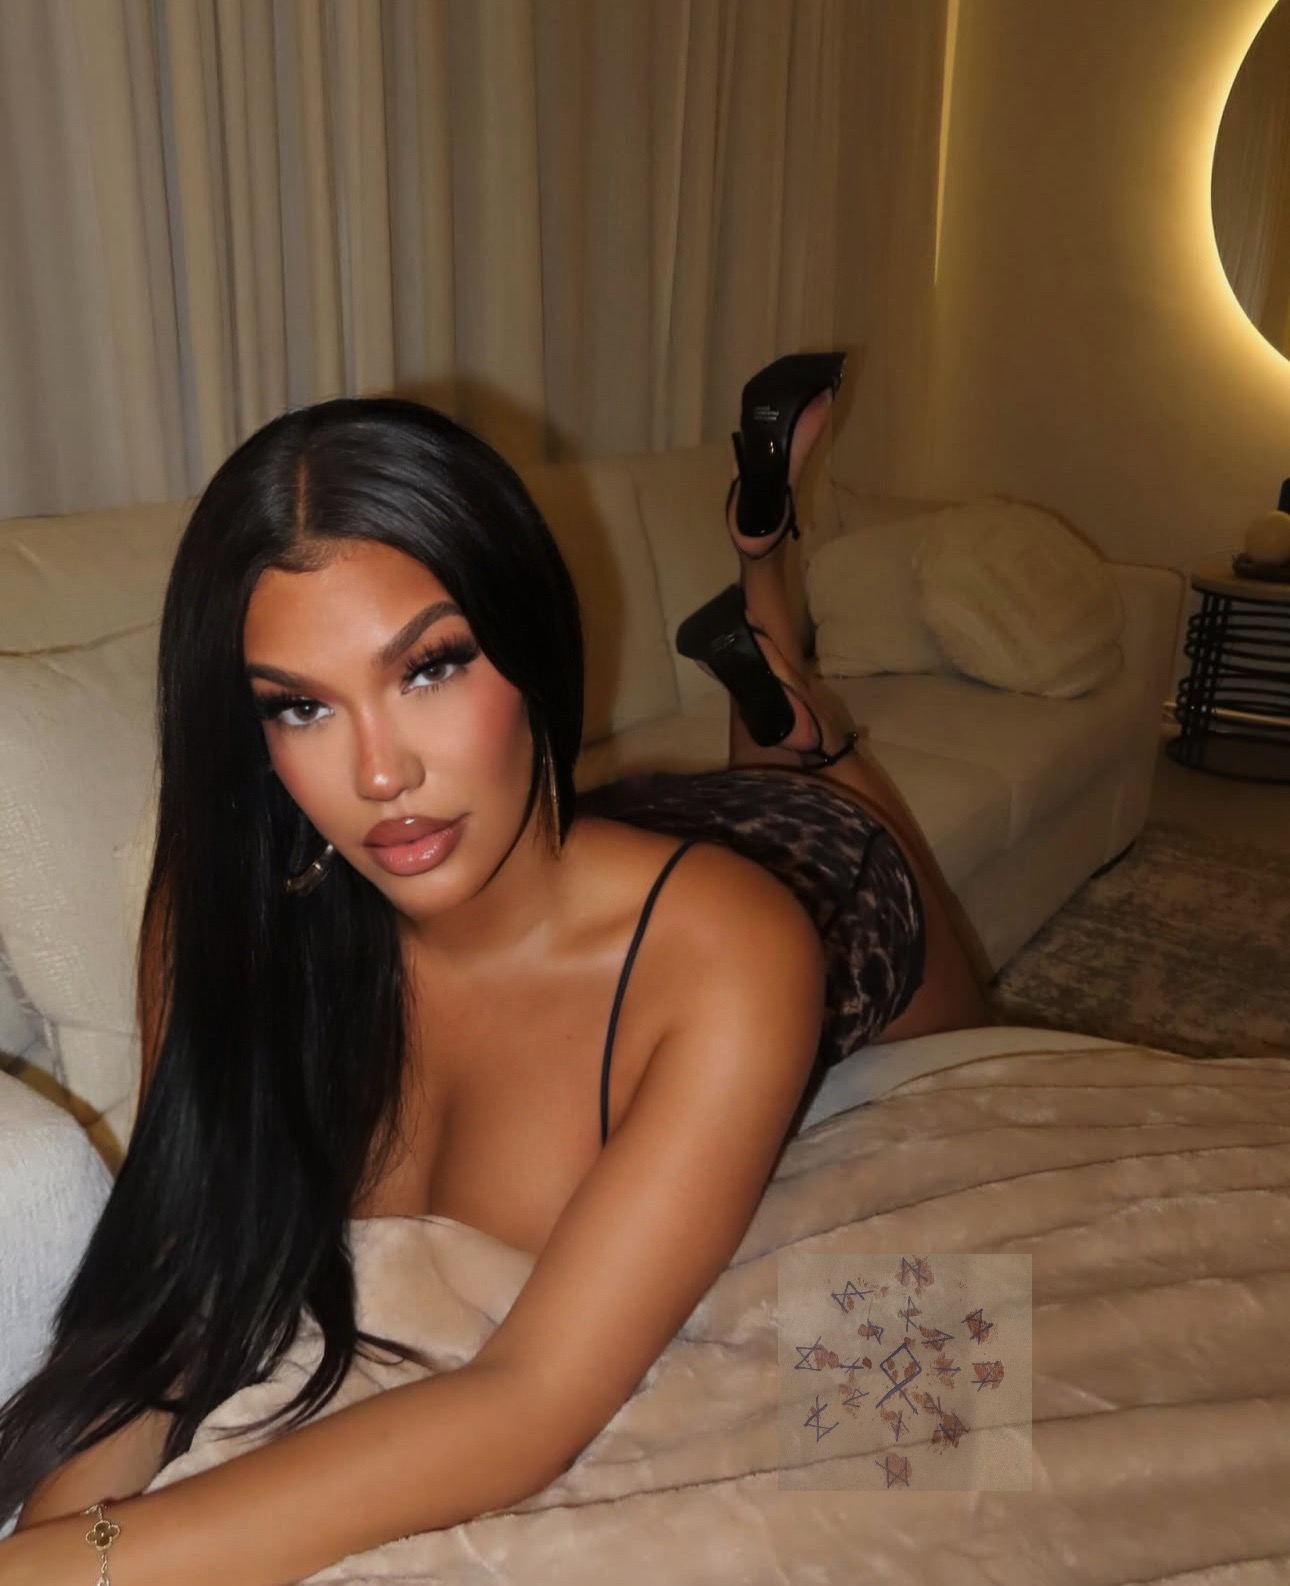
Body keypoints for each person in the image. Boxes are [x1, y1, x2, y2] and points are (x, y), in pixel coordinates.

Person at [0, 357, 987, 1585]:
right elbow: (177, 1289)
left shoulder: (734, 952)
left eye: (430, 666)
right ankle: (768, 661)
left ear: (532, 638)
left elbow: (528, 1403)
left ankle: (775, 624)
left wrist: (86, 1569)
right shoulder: (223, 924)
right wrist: (53, 1539)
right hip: (577, 838)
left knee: (952, 1014)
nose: (380, 775)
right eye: (300, 707)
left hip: (815, 872)